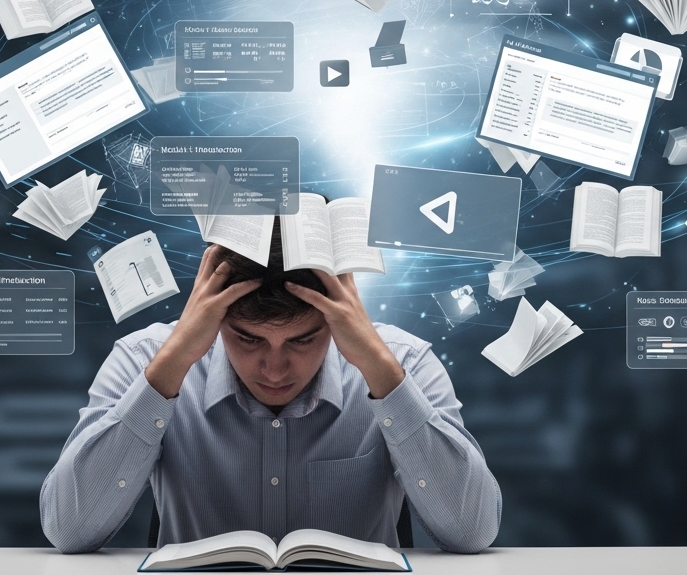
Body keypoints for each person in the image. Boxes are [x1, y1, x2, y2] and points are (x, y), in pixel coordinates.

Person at [40, 233, 502, 554]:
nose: (275, 368)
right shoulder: (144, 359)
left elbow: (472, 532)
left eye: (302, 339)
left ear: (340, 319)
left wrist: (382, 371)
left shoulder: (406, 364)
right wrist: (172, 363)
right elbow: (70, 531)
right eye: (248, 338)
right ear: (216, 318)